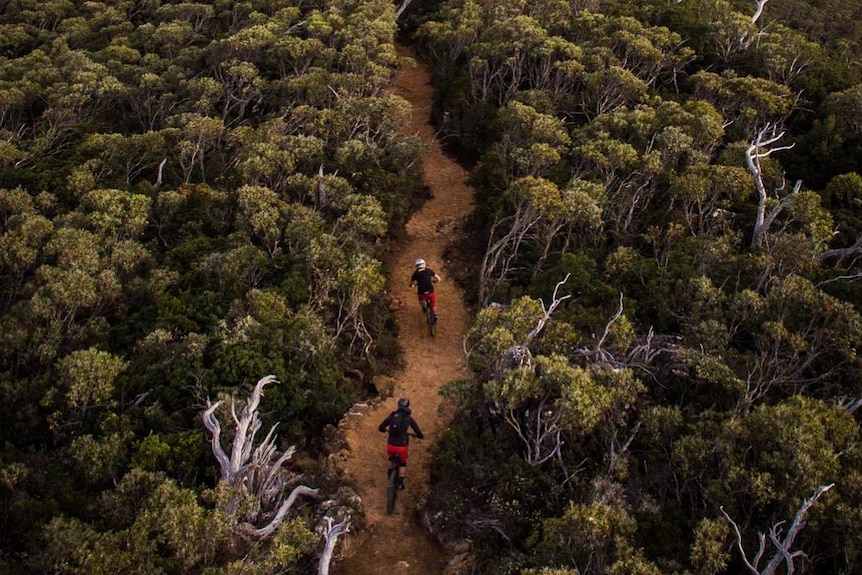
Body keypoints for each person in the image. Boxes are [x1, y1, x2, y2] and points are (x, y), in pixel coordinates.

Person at [378, 397, 424, 490]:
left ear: (398, 406)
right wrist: (419, 436)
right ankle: (400, 483)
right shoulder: (409, 419)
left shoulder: (392, 416)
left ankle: (390, 475)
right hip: (402, 446)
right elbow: (418, 432)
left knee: (391, 458)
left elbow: (381, 427)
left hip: (391, 445)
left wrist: (384, 430)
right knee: (402, 462)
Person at [409, 258, 441, 323]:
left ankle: (423, 308)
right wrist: (435, 281)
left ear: (417, 266)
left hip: (421, 292)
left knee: (421, 300)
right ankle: (435, 315)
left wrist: (412, 285)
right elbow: (438, 279)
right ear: (424, 264)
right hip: (430, 291)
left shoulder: (415, 273)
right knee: (433, 303)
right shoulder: (429, 270)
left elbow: (411, 284)